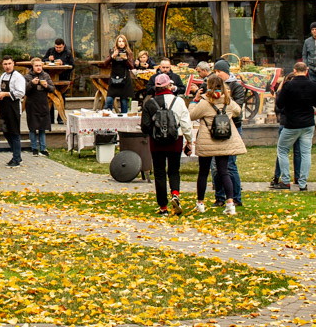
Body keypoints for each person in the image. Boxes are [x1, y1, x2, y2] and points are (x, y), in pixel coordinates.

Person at [188, 75, 246, 215]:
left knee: (203, 172)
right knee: (224, 172)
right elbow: (238, 111)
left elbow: (191, 115)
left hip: (207, 141)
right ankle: (230, 204)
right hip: (224, 141)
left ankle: (200, 203)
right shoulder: (228, 101)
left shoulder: (204, 102)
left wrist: (194, 100)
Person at [141, 73, 192, 216]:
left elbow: (145, 126)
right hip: (175, 139)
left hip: (156, 142)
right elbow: (186, 123)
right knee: (174, 170)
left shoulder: (149, 103)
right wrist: (189, 140)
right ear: (169, 85)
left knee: (159, 172)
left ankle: (163, 207)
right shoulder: (179, 101)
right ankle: (175, 194)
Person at [273, 61, 316, 191]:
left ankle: (285, 180)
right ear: (306, 71)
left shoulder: (289, 85)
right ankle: (302, 183)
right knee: (306, 152)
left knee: (282, 150)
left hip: (291, 123)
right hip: (308, 123)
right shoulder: (313, 85)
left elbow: (279, 103)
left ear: (294, 71)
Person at [210, 59, 247, 207]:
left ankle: (236, 197)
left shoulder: (236, 86)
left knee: (230, 165)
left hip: (232, 127)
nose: (217, 74)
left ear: (226, 72)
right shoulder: (212, 85)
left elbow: (237, 108)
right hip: (215, 129)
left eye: (220, 72)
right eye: (216, 72)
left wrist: (224, 99)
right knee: (216, 166)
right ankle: (219, 197)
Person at [0, 57, 26, 167]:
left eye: (9, 63)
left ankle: (17, 158)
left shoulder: (18, 77)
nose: (7, 66)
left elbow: (21, 92)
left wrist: (6, 94)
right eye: (5, 64)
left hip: (13, 107)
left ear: (13, 64)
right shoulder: (3, 76)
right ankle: (16, 154)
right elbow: (0, 87)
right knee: (5, 132)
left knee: (14, 133)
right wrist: (0, 94)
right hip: (4, 107)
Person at [24, 57, 52, 156]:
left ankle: (43, 148)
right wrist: (32, 83)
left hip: (43, 104)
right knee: (32, 127)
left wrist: (46, 86)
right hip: (32, 104)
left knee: (42, 127)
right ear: (32, 66)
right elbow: (24, 90)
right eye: (36, 66)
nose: (38, 67)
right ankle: (34, 148)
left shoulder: (46, 75)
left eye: (40, 65)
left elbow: (52, 89)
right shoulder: (28, 77)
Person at [42, 38, 74, 123]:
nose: (58, 49)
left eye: (59, 47)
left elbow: (72, 66)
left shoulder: (68, 53)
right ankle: (50, 118)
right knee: (50, 96)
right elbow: (42, 61)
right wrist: (48, 59)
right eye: (56, 47)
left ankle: (60, 118)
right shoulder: (51, 51)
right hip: (50, 78)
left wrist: (63, 63)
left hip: (63, 78)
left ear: (63, 45)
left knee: (61, 97)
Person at [102, 35, 135, 114]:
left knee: (124, 101)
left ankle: (124, 120)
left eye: (122, 41)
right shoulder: (112, 51)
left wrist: (125, 59)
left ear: (125, 43)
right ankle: (107, 117)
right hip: (114, 79)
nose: (121, 43)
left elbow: (131, 67)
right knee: (109, 99)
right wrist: (112, 56)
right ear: (117, 43)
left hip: (124, 79)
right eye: (119, 41)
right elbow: (105, 64)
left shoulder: (128, 52)